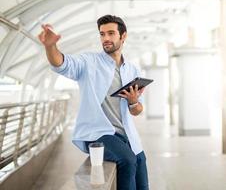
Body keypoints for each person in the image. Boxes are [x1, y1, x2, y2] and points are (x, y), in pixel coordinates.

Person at [38, 15, 149, 190]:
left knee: (140, 165)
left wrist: (133, 102)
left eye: (111, 33)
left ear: (123, 36)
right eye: (102, 34)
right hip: (99, 133)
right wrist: (51, 46)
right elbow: (62, 64)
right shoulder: (89, 62)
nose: (105, 38)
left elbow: (137, 111)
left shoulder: (132, 69)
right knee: (127, 160)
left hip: (128, 135)